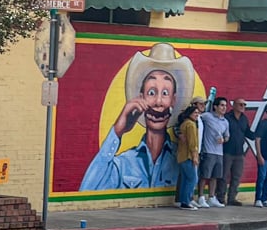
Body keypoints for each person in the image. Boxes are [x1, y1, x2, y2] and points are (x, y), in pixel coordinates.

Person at [79, 42, 194, 191]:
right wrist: (118, 131)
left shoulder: (178, 159)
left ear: (174, 99)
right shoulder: (123, 164)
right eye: (151, 93)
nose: (158, 102)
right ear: (141, 98)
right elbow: (87, 190)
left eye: (165, 93)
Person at [222, 95, 255, 205]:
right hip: (227, 151)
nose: (243, 106)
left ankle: (232, 198)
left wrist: (260, 134)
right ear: (234, 105)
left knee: (236, 176)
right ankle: (220, 197)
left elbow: (248, 133)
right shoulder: (226, 117)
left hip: (239, 153)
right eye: (240, 104)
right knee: (223, 176)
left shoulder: (244, 119)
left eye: (244, 104)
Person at [198, 95, 229, 207]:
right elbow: (197, 119)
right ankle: (201, 197)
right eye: (221, 105)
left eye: (225, 106)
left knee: (215, 176)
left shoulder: (225, 122)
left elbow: (227, 136)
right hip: (208, 151)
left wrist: (224, 140)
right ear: (215, 107)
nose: (224, 108)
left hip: (219, 152)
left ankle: (211, 197)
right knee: (204, 175)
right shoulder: (207, 116)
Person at [173, 98, 203, 210]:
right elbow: (192, 143)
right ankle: (186, 201)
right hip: (188, 156)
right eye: (195, 113)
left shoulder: (185, 123)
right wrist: (195, 156)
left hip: (182, 156)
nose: (197, 114)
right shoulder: (190, 125)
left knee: (186, 179)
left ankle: (182, 200)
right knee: (192, 179)